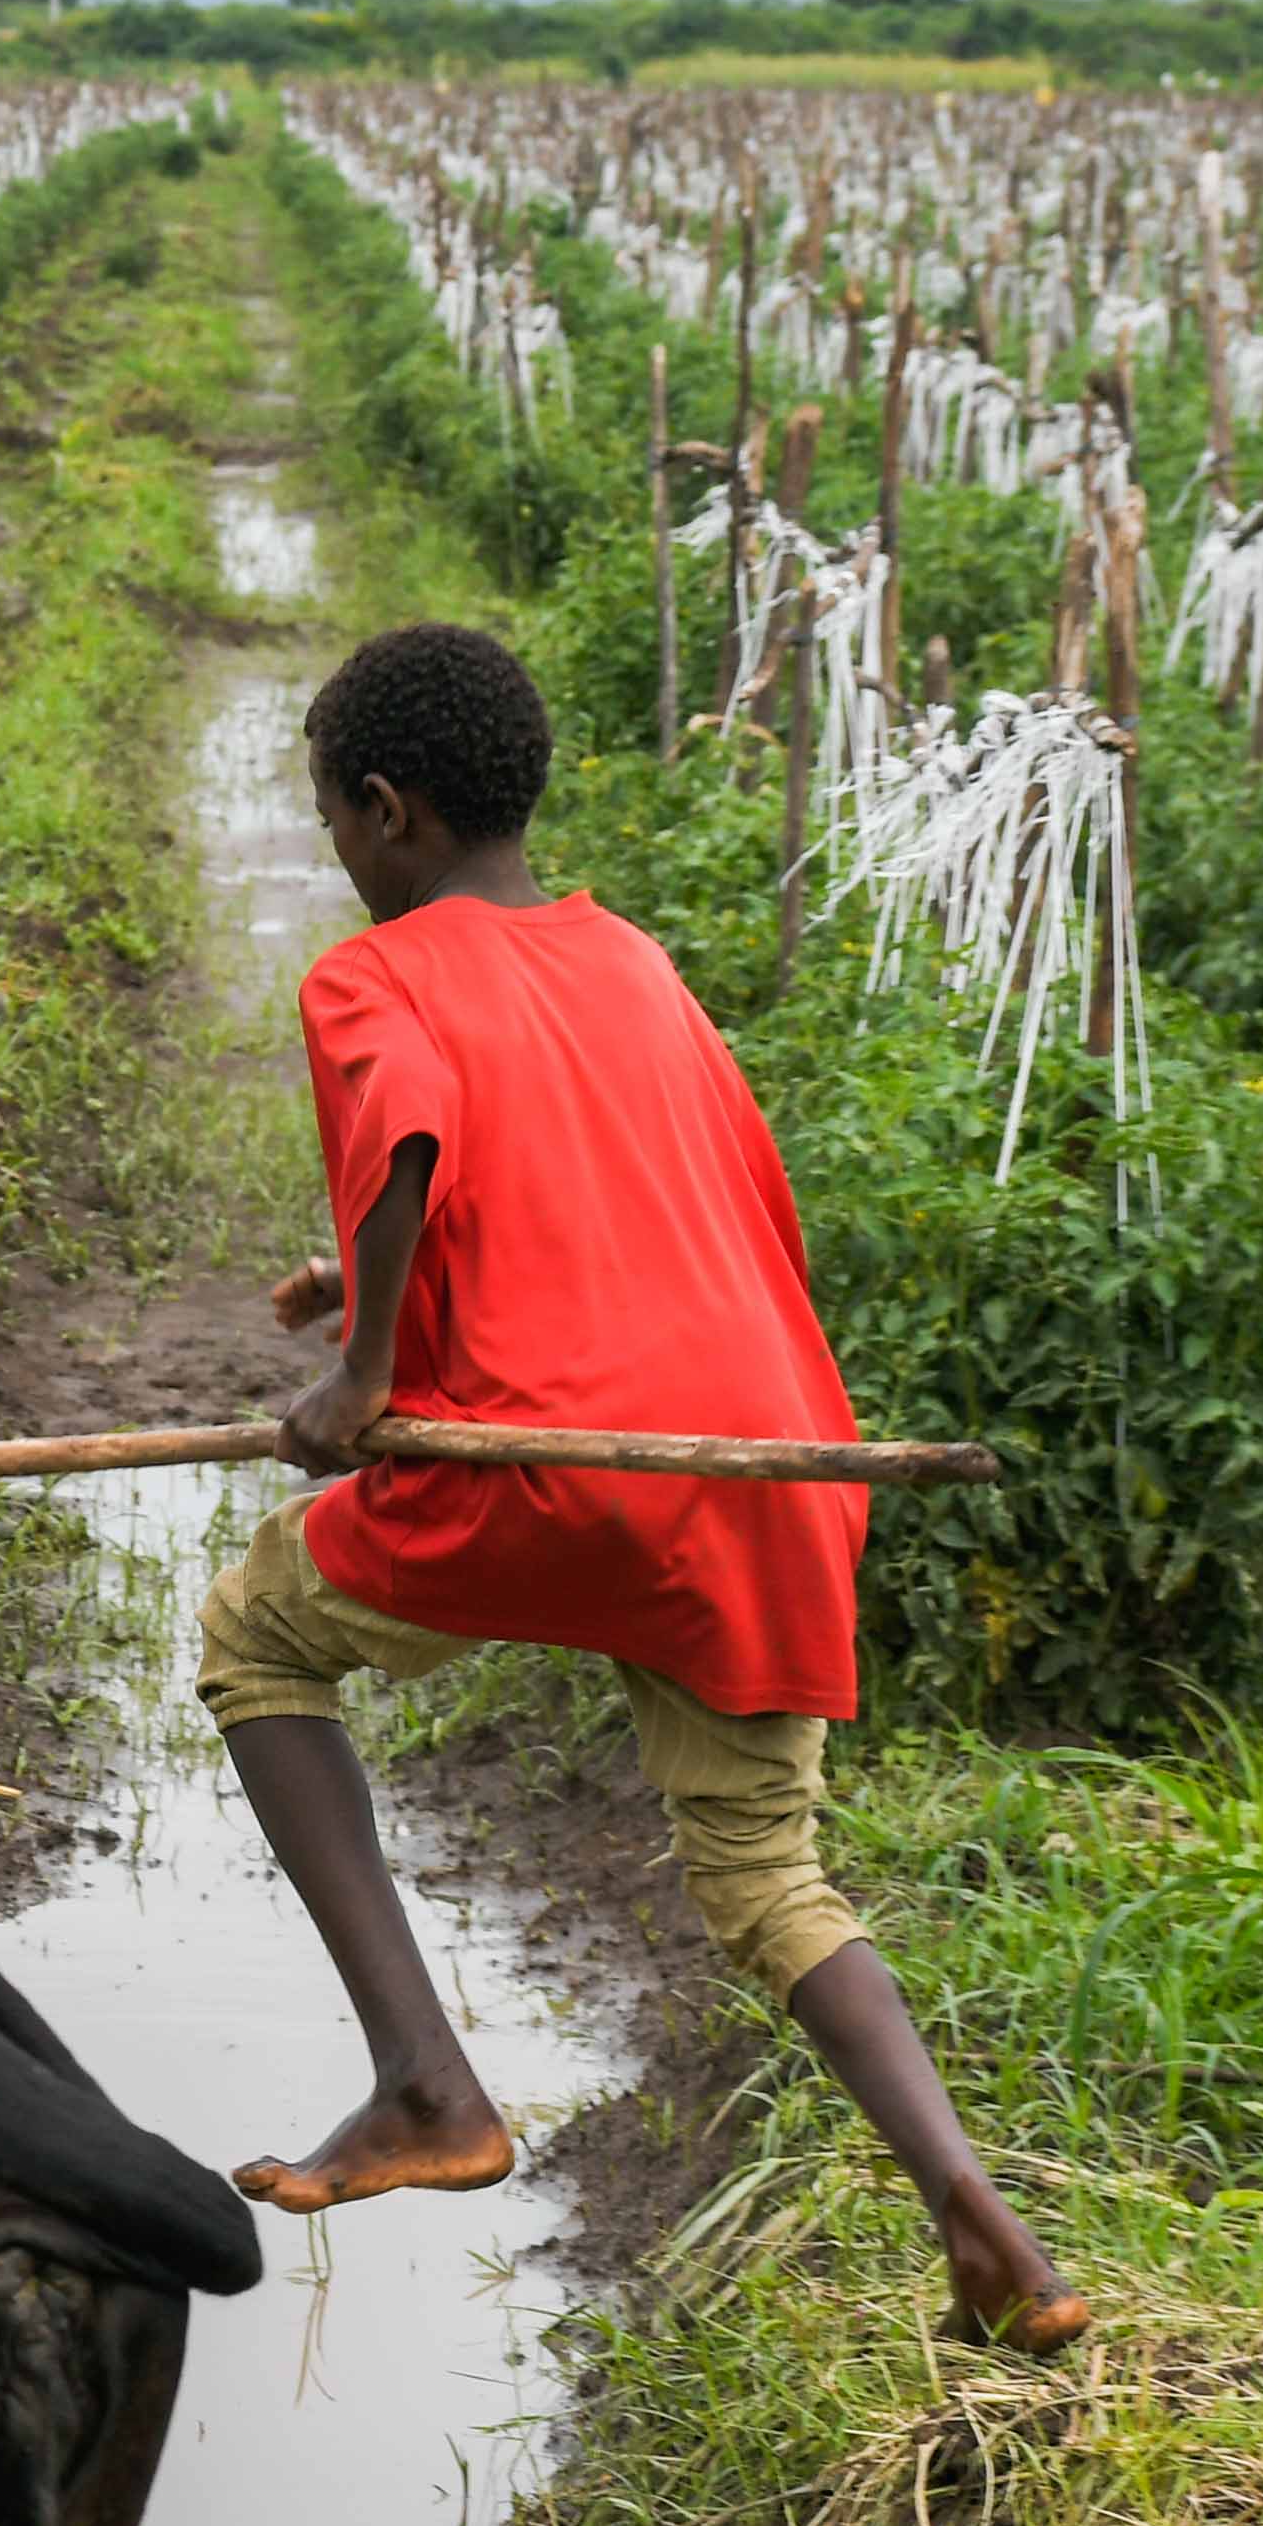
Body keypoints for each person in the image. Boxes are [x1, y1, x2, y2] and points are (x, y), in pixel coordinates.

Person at [205, 618, 1088, 2352]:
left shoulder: (373, 977)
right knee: (766, 1877)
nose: (338, 859)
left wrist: (370, 1373)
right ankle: (995, 2242)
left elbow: (412, 1127)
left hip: (555, 1463)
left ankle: (425, 2083)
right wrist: (369, 1275)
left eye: (330, 824)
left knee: (255, 1639)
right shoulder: (634, 959)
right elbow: (648, 1195)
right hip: (762, 1464)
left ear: (385, 811)